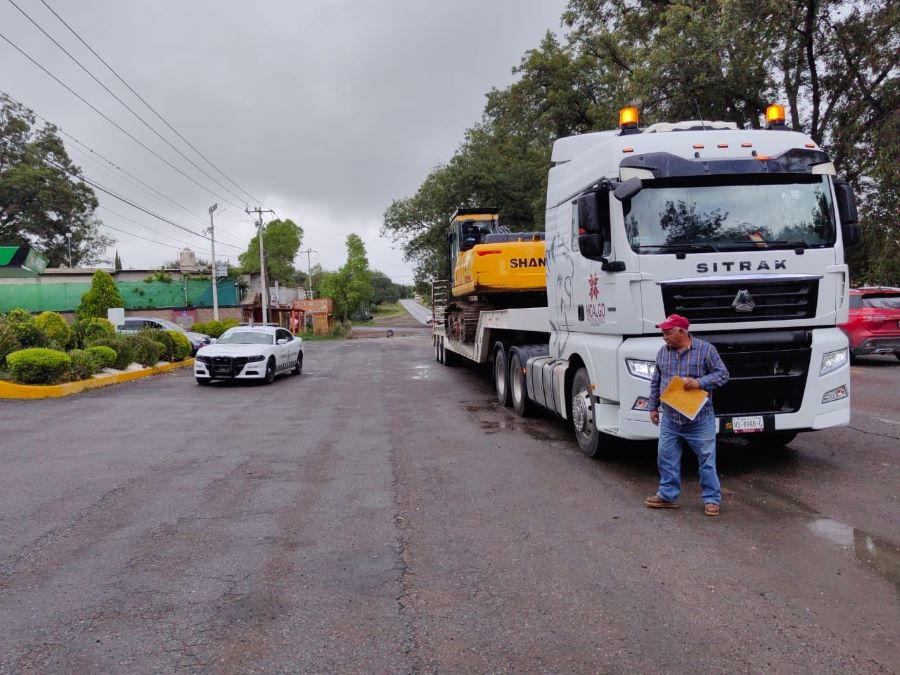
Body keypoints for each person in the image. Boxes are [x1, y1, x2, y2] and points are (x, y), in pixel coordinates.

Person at [645, 314, 729, 516]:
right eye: (663, 332)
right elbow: (656, 381)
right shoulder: (662, 353)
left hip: (700, 418)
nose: (664, 336)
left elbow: (723, 374)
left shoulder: (705, 350)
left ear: (682, 331)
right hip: (671, 417)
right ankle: (667, 496)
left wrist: (700, 383)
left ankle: (712, 500)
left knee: (707, 459)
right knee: (666, 457)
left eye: (668, 332)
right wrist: (653, 407)